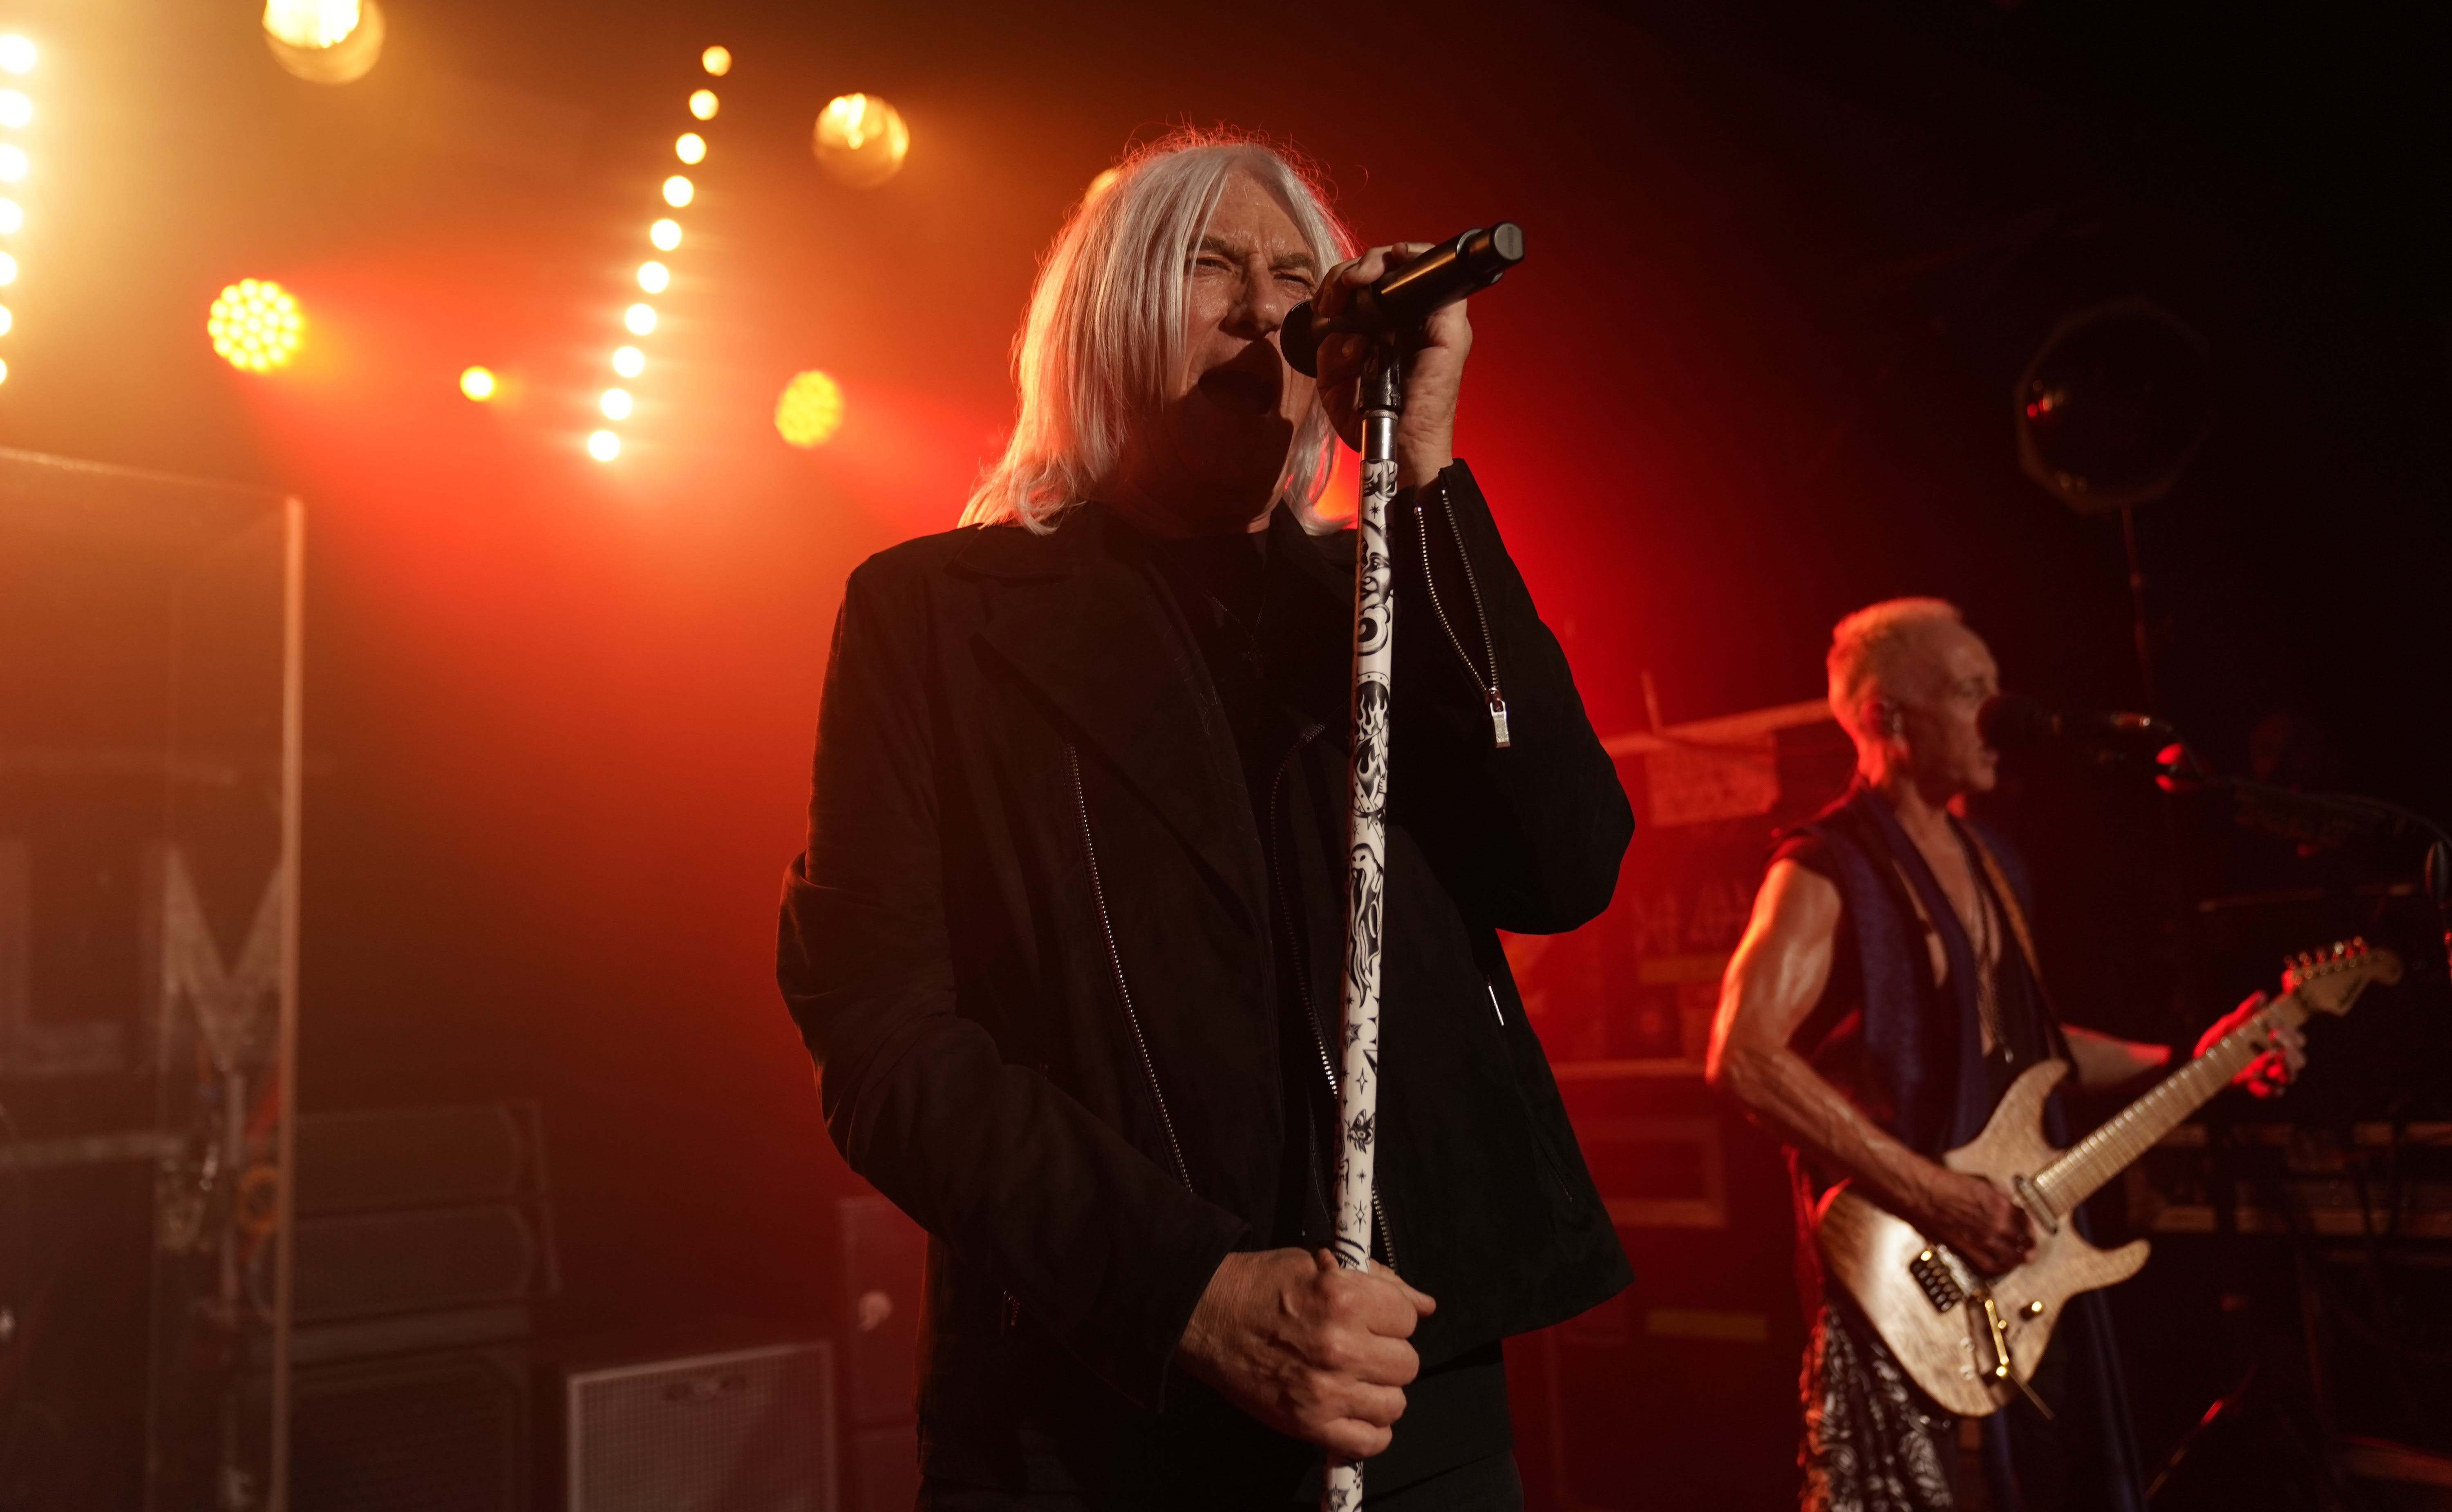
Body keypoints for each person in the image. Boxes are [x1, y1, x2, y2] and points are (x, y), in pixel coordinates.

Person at [776, 132, 1633, 1510]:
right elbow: (880, 1036)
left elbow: (1566, 862)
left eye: (1298, 277)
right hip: (1097, 1404)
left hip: (1404, 1387)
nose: (1265, 312)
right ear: (1104, 315)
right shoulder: (934, 616)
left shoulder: (1377, 591)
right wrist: (1194, 1291)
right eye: (1214, 268)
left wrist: (1422, 478)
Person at [1705, 598, 2305, 1512]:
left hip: (2018, 1255)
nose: (1999, 711)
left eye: (1995, 686)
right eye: (1967, 690)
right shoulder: (1824, 864)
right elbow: (1743, 1055)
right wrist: (1937, 1192)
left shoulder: (1993, 860)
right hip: (1897, 1268)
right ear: (1885, 718)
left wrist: (2195, 1055)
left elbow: (2038, 1054)